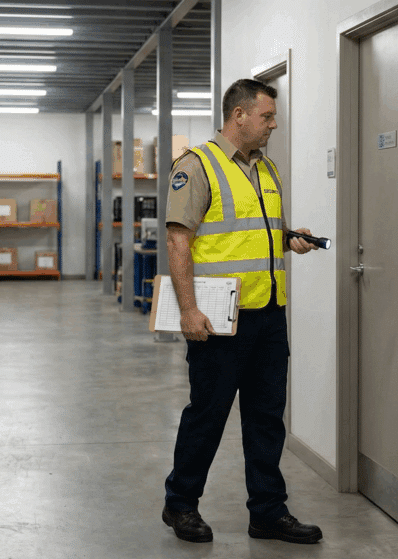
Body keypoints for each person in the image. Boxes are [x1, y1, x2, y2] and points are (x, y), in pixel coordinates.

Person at [161, 78, 323, 545]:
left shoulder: (266, 169)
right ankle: (180, 504)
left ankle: (268, 511)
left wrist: (291, 237)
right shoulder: (198, 166)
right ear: (240, 116)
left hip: (269, 313)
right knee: (207, 415)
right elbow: (178, 240)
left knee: (267, 417)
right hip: (219, 317)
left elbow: (253, 233)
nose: (273, 125)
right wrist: (188, 310)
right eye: (267, 116)